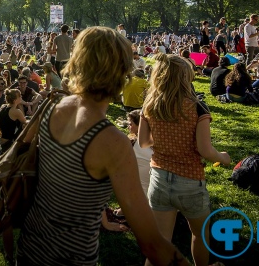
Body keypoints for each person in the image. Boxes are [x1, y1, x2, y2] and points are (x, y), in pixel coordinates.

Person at [18, 27, 190, 266]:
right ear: (121, 72)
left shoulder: (50, 105)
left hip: (29, 248)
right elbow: (151, 242)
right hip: (70, 258)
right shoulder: (112, 142)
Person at [138, 54, 232, 266]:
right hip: (190, 181)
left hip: (159, 179)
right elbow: (205, 150)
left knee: (161, 241)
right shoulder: (198, 108)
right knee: (200, 233)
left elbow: (143, 142)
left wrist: (164, 139)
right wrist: (223, 158)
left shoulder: (150, 105)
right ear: (184, 78)